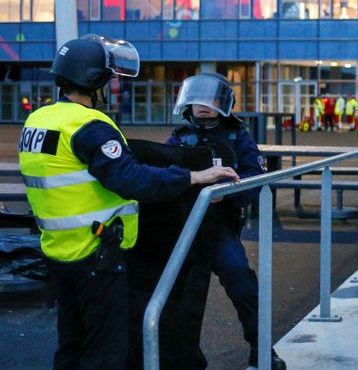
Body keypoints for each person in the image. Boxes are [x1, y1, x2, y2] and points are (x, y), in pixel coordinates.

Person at [18, 34, 236, 370]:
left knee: (71, 346)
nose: (112, 86)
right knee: (105, 351)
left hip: (57, 251)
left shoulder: (38, 121)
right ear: (94, 80)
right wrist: (194, 177)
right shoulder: (88, 126)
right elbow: (132, 179)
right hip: (95, 254)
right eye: (109, 79)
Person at [165, 72, 286, 370]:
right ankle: (186, 359)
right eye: (197, 99)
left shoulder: (237, 136)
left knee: (243, 285)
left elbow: (256, 175)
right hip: (186, 229)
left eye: (210, 99)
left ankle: (262, 350)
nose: (203, 105)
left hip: (220, 228)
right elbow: (163, 172)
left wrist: (228, 192)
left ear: (223, 103)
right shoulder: (180, 138)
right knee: (183, 298)